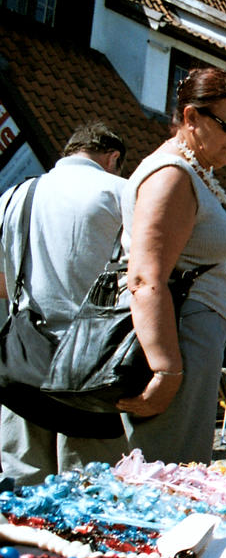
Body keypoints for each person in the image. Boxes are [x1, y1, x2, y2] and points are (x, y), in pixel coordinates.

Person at [118, 68, 226, 463]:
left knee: (178, 465)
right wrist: (166, 370)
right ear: (191, 118)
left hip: (190, 337)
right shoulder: (172, 175)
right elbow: (145, 278)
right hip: (180, 339)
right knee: (168, 467)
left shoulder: (192, 173)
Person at [0, 122, 130, 483]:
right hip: (93, 366)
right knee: (89, 487)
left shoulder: (15, 195)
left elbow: (2, 281)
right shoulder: (121, 192)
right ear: (113, 157)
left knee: (22, 483)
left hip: (25, 359)